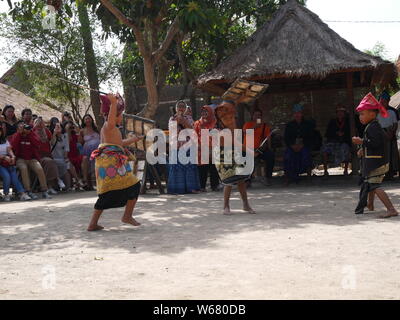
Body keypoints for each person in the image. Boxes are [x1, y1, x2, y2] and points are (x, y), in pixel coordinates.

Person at [87, 93, 143, 231]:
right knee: (132, 186)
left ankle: (93, 223)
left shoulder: (111, 129)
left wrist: (134, 140)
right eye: (121, 113)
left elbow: (118, 143)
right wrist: (113, 103)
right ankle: (126, 216)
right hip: (110, 163)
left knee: (111, 192)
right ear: (114, 114)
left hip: (111, 163)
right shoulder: (108, 125)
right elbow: (111, 121)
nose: (122, 116)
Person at [353, 93, 398, 218]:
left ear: (372, 114)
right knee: (369, 183)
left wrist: (361, 142)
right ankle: (370, 204)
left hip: (377, 163)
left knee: (374, 185)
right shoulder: (372, 126)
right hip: (376, 161)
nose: (360, 117)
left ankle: (391, 209)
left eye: (362, 114)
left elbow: (375, 143)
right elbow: (372, 144)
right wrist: (363, 149)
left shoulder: (373, 127)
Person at [214, 100, 255, 215]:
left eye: (231, 118)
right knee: (229, 181)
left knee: (241, 180)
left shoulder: (233, 126)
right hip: (223, 156)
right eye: (226, 119)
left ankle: (246, 205)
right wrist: (250, 151)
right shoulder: (223, 132)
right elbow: (235, 143)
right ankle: (226, 207)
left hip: (234, 152)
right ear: (221, 121)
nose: (230, 120)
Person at [10, 121, 52, 199]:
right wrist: (19, 133)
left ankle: (44, 190)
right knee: (24, 168)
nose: (23, 128)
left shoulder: (31, 134)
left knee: (39, 168)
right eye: (21, 126)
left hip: (32, 159)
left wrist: (30, 133)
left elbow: (37, 143)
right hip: (20, 159)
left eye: (24, 126)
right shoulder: (16, 135)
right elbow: (13, 146)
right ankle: (28, 191)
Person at [167, 100, 201, 194]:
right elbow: (173, 132)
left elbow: (192, 130)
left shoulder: (189, 118)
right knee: (177, 167)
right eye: (179, 107)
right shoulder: (171, 119)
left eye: (183, 106)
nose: (181, 108)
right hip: (177, 146)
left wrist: (183, 121)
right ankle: (177, 189)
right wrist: (177, 122)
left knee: (189, 166)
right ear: (176, 108)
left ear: (185, 108)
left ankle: (191, 188)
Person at [283, 104, 315, 184]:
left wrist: (302, 145)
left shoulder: (308, 124)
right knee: (288, 155)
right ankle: (288, 178)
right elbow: (286, 138)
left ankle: (308, 177)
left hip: (304, 146)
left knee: (306, 154)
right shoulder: (289, 125)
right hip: (292, 146)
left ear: (302, 114)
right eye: (295, 113)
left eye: (299, 113)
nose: (297, 115)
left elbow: (311, 137)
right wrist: (292, 145)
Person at [243, 109, 275, 186]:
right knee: (246, 159)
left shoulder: (264, 126)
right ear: (252, 116)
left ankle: (268, 178)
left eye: (259, 115)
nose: (257, 116)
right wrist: (255, 127)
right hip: (248, 149)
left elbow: (268, 138)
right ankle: (247, 180)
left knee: (270, 156)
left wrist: (269, 147)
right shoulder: (248, 124)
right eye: (256, 115)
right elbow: (245, 132)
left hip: (260, 149)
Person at [0, 125, 31, 201]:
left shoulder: (4, 140)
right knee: (7, 176)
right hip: (1, 163)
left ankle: (22, 193)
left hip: (7, 161)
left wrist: (13, 156)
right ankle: (6, 194)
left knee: (14, 176)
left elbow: (9, 149)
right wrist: (4, 157)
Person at [193, 105, 220, 192]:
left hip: (214, 147)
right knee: (202, 168)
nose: (204, 113)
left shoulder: (216, 122)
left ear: (210, 112)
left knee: (214, 167)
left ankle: (214, 185)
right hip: (202, 148)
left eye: (206, 111)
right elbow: (194, 135)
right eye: (202, 112)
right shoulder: (197, 123)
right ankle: (202, 186)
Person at [32, 117, 62, 194]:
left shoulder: (46, 131)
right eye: (38, 123)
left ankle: (53, 183)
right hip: (37, 156)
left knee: (51, 162)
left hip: (48, 155)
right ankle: (54, 182)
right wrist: (35, 128)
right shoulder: (32, 132)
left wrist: (55, 133)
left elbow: (52, 142)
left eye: (41, 123)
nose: (40, 124)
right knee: (49, 162)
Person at [321, 106, 352, 176]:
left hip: (344, 142)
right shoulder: (332, 122)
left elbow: (350, 133)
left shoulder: (348, 121)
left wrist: (343, 134)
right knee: (324, 150)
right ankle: (325, 171)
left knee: (346, 149)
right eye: (338, 112)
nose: (340, 113)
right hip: (333, 142)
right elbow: (327, 134)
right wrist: (336, 133)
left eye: (342, 112)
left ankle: (345, 170)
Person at [377, 90, 399, 180]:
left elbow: (395, 124)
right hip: (379, 133)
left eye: (384, 101)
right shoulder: (376, 112)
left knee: (390, 154)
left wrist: (390, 132)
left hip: (390, 132)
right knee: (381, 154)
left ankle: (390, 173)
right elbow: (375, 124)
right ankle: (381, 173)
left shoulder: (393, 111)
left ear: (388, 101)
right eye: (381, 101)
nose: (383, 103)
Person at [65, 121, 90, 189]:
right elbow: (67, 142)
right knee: (69, 164)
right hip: (68, 157)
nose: (71, 128)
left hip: (76, 156)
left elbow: (79, 141)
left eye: (71, 127)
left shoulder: (74, 135)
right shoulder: (64, 135)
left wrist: (76, 128)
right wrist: (67, 130)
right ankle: (78, 181)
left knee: (85, 158)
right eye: (70, 127)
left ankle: (84, 180)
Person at [80, 114, 100, 190]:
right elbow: (80, 142)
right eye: (86, 119)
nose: (87, 120)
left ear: (91, 119)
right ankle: (86, 182)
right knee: (85, 160)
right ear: (84, 121)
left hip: (98, 151)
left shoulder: (96, 128)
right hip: (88, 152)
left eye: (89, 119)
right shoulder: (82, 131)